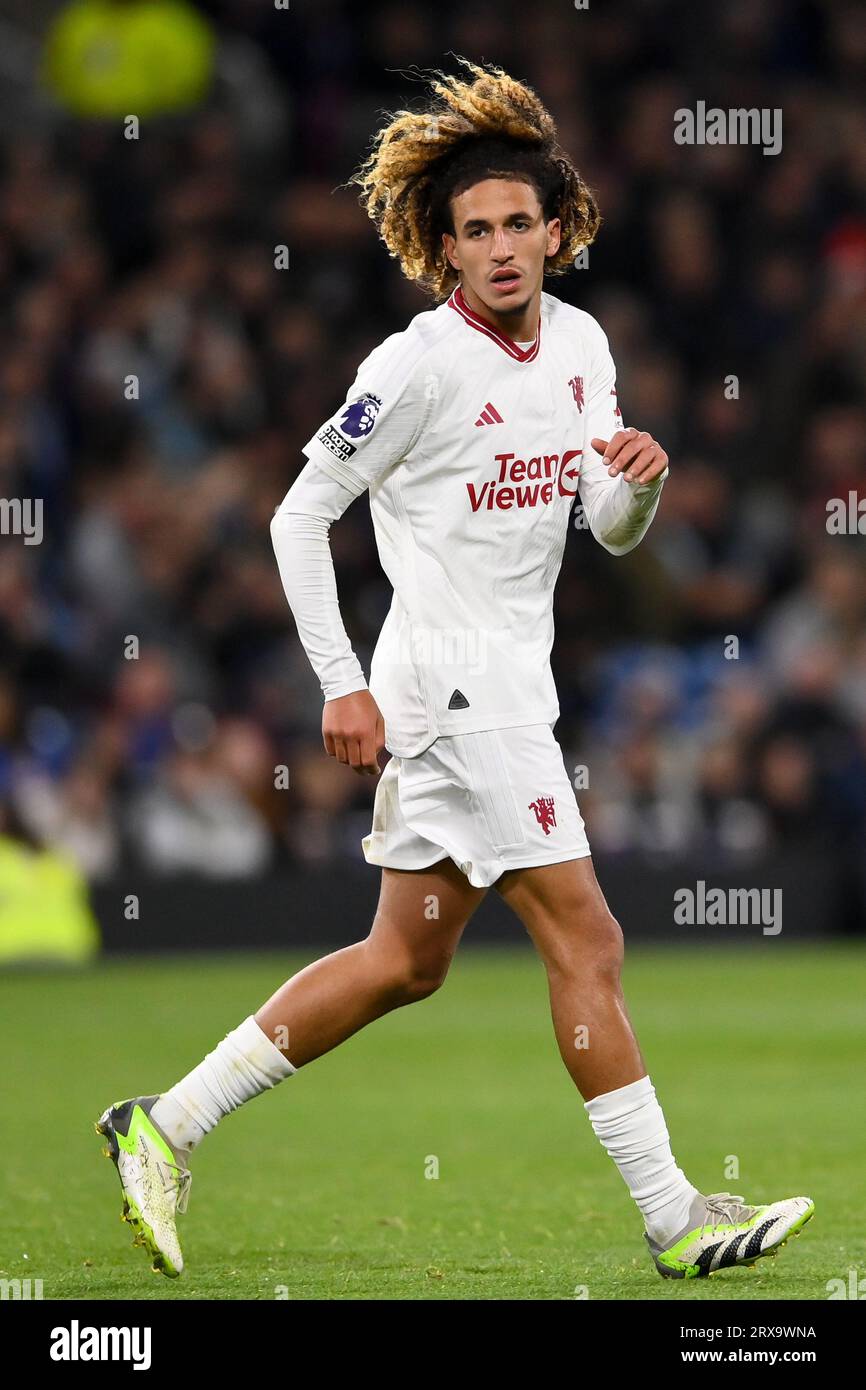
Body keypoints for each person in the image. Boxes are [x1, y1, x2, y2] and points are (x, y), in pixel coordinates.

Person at [96, 57, 813, 1282]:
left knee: (403, 963)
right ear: (441, 250)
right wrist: (339, 679)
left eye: (515, 224)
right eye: (471, 231)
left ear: (554, 230)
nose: (496, 247)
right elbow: (293, 517)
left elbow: (602, 522)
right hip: (449, 691)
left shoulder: (582, 347)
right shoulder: (414, 365)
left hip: (510, 685)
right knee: (585, 939)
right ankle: (673, 1216)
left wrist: (635, 488)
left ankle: (161, 1123)